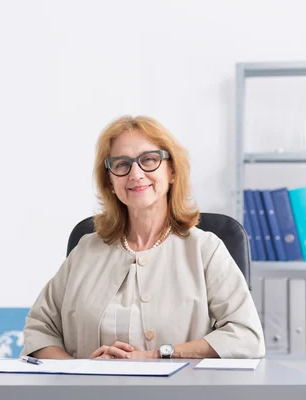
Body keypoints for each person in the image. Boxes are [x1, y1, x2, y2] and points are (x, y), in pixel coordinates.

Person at [22, 116, 265, 360]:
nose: (135, 174)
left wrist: (157, 356)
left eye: (149, 160)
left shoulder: (205, 249)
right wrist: (81, 370)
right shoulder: (86, 250)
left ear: (171, 171)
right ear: (110, 181)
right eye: (121, 164)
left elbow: (246, 337)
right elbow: (39, 331)